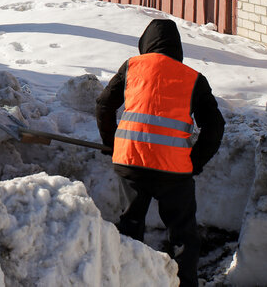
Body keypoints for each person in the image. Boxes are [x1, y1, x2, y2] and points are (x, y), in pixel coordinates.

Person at [96, 18, 225, 287]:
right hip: (174, 172)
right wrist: (195, 162)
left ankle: (127, 280)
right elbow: (215, 125)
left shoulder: (131, 67)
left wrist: (113, 144)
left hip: (130, 162)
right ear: (177, 48)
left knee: (129, 228)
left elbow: (104, 106)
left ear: (145, 43)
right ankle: (185, 283)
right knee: (182, 235)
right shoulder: (193, 79)